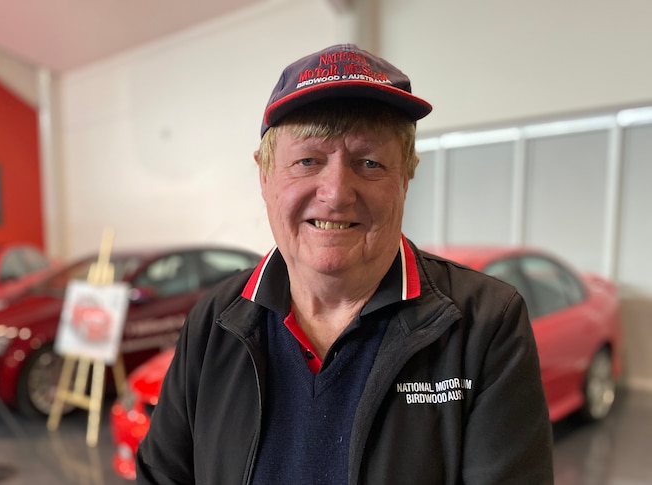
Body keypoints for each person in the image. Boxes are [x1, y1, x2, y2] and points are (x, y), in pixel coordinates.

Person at [135, 44, 553, 484]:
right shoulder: (213, 322)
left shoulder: (485, 325)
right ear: (264, 174)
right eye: (308, 161)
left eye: (369, 162)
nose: (336, 193)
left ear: (406, 177)